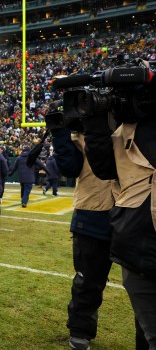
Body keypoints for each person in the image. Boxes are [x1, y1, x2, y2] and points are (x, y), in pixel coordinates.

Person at [82, 110, 156, 347]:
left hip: (136, 236)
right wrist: (94, 120)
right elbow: (104, 168)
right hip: (137, 245)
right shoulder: (125, 130)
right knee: (149, 332)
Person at [48, 118, 119, 350]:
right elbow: (69, 167)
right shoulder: (85, 123)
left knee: (144, 282)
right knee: (88, 279)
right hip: (93, 210)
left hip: (138, 209)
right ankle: (80, 330)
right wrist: (60, 133)